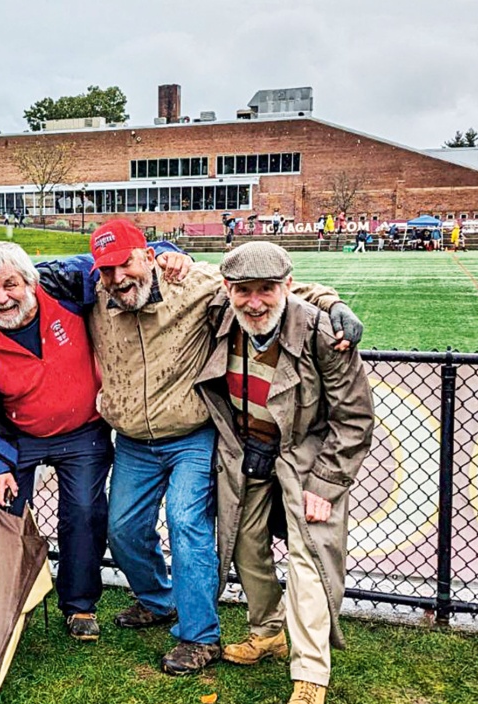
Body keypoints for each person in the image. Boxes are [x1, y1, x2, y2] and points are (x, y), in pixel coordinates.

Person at [25, 221, 362, 675]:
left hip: (191, 435)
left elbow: (269, 287)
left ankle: (199, 635)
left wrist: (333, 302)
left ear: (147, 255)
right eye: (106, 269)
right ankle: (158, 600)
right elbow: (26, 284)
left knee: (188, 524)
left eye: (126, 262)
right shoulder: (96, 296)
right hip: (133, 441)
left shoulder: (193, 283)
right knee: (123, 530)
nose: (118, 277)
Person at [194, 241, 374, 704]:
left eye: (267, 289)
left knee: (309, 556)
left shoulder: (322, 333)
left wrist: (329, 480)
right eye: (244, 290)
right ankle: (267, 630)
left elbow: (353, 418)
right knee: (244, 545)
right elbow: (182, 272)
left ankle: (311, 676)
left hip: (307, 457)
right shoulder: (219, 315)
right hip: (245, 450)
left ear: (288, 286)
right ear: (228, 289)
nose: (255, 301)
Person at [0, 242, 113, 642]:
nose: (2, 297)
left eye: (11, 284)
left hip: (83, 431)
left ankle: (79, 605)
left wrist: (166, 252)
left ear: (31, 281)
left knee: (82, 511)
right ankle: (9, 600)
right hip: (19, 437)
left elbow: (123, 256)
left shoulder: (65, 282)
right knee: (2, 513)